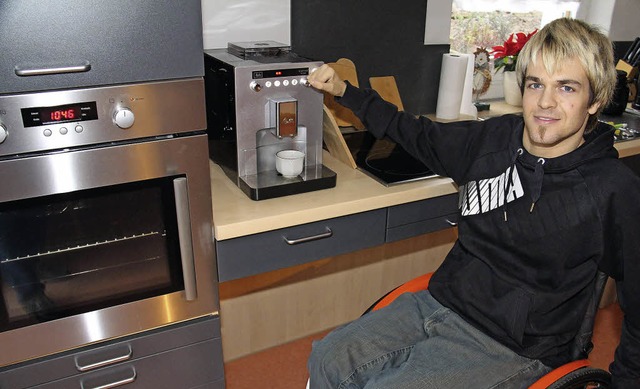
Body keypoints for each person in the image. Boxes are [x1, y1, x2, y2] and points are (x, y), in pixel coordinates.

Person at [306, 18, 640, 388]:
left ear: (594, 100)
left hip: (516, 346)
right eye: (535, 84)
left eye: (566, 87)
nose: (545, 102)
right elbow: (415, 133)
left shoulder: (612, 189)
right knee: (327, 357)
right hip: (442, 303)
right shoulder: (494, 138)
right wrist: (346, 92)